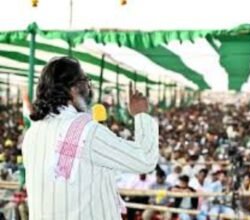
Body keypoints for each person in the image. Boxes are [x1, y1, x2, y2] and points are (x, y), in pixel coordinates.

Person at [22, 57, 159, 220]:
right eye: (86, 81)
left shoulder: (33, 133)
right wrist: (141, 115)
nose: (88, 87)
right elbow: (145, 159)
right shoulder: (87, 131)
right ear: (73, 89)